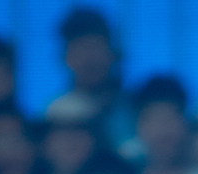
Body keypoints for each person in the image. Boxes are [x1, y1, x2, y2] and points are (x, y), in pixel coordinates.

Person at [46, 8, 133, 152]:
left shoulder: (136, 109)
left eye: (95, 47)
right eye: (81, 49)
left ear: (112, 54)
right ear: (66, 57)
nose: (89, 59)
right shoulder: (54, 113)